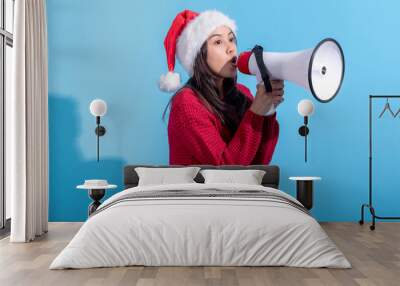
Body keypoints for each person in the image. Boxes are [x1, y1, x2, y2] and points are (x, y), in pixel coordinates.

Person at [159, 9, 284, 165]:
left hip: (239, 189)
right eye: (218, 42)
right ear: (199, 55)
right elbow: (225, 172)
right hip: (199, 190)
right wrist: (256, 113)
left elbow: (259, 163)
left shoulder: (242, 93)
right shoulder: (186, 104)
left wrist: (268, 110)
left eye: (231, 39)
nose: (231, 48)